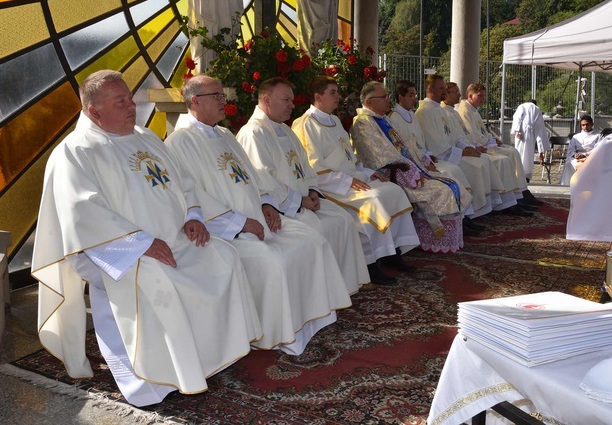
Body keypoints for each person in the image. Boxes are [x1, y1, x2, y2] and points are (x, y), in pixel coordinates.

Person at [31, 70, 262, 407]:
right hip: (118, 251)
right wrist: (141, 244)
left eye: (129, 97)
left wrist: (193, 216)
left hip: (175, 238)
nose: (131, 106)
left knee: (223, 256)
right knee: (160, 281)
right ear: (94, 111)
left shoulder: (146, 137)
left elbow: (183, 182)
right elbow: (83, 213)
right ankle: (150, 384)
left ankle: (204, 360)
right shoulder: (75, 152)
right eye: (120, 101)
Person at [165, 75, 352, 355]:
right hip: (227, 231)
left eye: (221, 95)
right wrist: (241, 223)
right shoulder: (180, 142)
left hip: (257, 218)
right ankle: (280, 335)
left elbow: (251, 176)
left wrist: (265, 204)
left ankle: (311, 322)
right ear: (194, 101)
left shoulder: (225, 134)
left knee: (311, 240)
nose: (222, 101)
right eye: (216, 96)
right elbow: (194, 196)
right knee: (275, 261)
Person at [236, 78, 370, 293]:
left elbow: (306, 167)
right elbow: (264, 180)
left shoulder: (285, 130)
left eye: (292, 99)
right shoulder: (254, 133)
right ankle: (322, 293)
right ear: (267, 99)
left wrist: (313, 191)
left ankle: (340, 290)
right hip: (284, 209)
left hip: (304, 201)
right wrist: (300, 201)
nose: (292, 105)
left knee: (343, 219)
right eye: (286, 100)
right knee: (320, 231)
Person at [291, 76, 420, 284]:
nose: (338, 97)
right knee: (373, 200)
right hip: (331, 185)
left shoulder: (333, 120)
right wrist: (346, 181)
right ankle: (371, 263)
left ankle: (392, 252)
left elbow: (349, 156)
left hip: (353, 177)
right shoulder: (305, 124)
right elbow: (312, 168)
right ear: (318, 96)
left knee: (393, 190)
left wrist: (368, 172)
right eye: (333, 92)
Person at [349, 81, 471, 253]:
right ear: (369, 102)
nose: (388, 100)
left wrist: (421, 159)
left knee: (451, 182)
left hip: (409, 168)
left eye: (388, 96)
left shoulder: (383, 119)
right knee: (442, 190)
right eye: (384, 97)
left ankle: (444, 237)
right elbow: (378, 155)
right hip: (393, 173)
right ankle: (434, 238)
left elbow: (406, 144)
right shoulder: (362, 123)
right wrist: (412, 171)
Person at [416, 76, 526, 218]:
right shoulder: (424, 112)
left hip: (454, 152)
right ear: (430, 90)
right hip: (444, 158)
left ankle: (493, 206)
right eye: (441, 88)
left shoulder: (441, 110)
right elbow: (436, 145)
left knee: (484, 160)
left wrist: (467, 148)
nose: (444, 91)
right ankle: (473, 213)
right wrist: (462, 152)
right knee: (478, 165)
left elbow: (455, 137)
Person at [389, 79, 480, 236]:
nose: (414, 99)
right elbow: (401, 149)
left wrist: (427, 157)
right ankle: (455, 221)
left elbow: (421, 143)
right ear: (400, 97)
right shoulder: (394, 119)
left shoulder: (411, 115)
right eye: (410, 95)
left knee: (454, 173)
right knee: (451, 173)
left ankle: (462, 218)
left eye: (415, 95)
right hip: (412, 167)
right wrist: (423, 163)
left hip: (424, 161)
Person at [455, 83, 541, 207]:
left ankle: (521, 191)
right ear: (470, 95)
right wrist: (490, 142)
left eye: (484, 96)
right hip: (479, 146)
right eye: (480, 96)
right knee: (506, 158)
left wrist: (494, 139)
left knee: (513, 151)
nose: (483, 99)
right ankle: (513, 197)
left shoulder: (473, 110)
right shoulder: (464, 111)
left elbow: (483, 130)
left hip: (485, 144)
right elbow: (473, 135)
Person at [510, 99, 551, 182]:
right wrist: (541, 152)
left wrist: (517, 130)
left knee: (520, 154)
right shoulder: (537, 109)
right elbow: (541, 131)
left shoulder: (522, 106)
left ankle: (519, 176)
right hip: (531, 136)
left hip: (521, 133)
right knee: (528, 157)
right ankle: (525, 177)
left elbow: (517, 118)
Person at [560, 115, 602, 186]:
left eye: (587, 124)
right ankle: (567, 185)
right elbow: (570, 149)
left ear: (592, 124)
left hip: (590, 157)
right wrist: (575, 154)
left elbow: (598, 149)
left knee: (587, 165)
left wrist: (584, 155)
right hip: (576, 157)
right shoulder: (576, 137)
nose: (585, 127)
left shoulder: (598, 136)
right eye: (583, 125)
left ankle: (586, 186)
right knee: (568, 164)